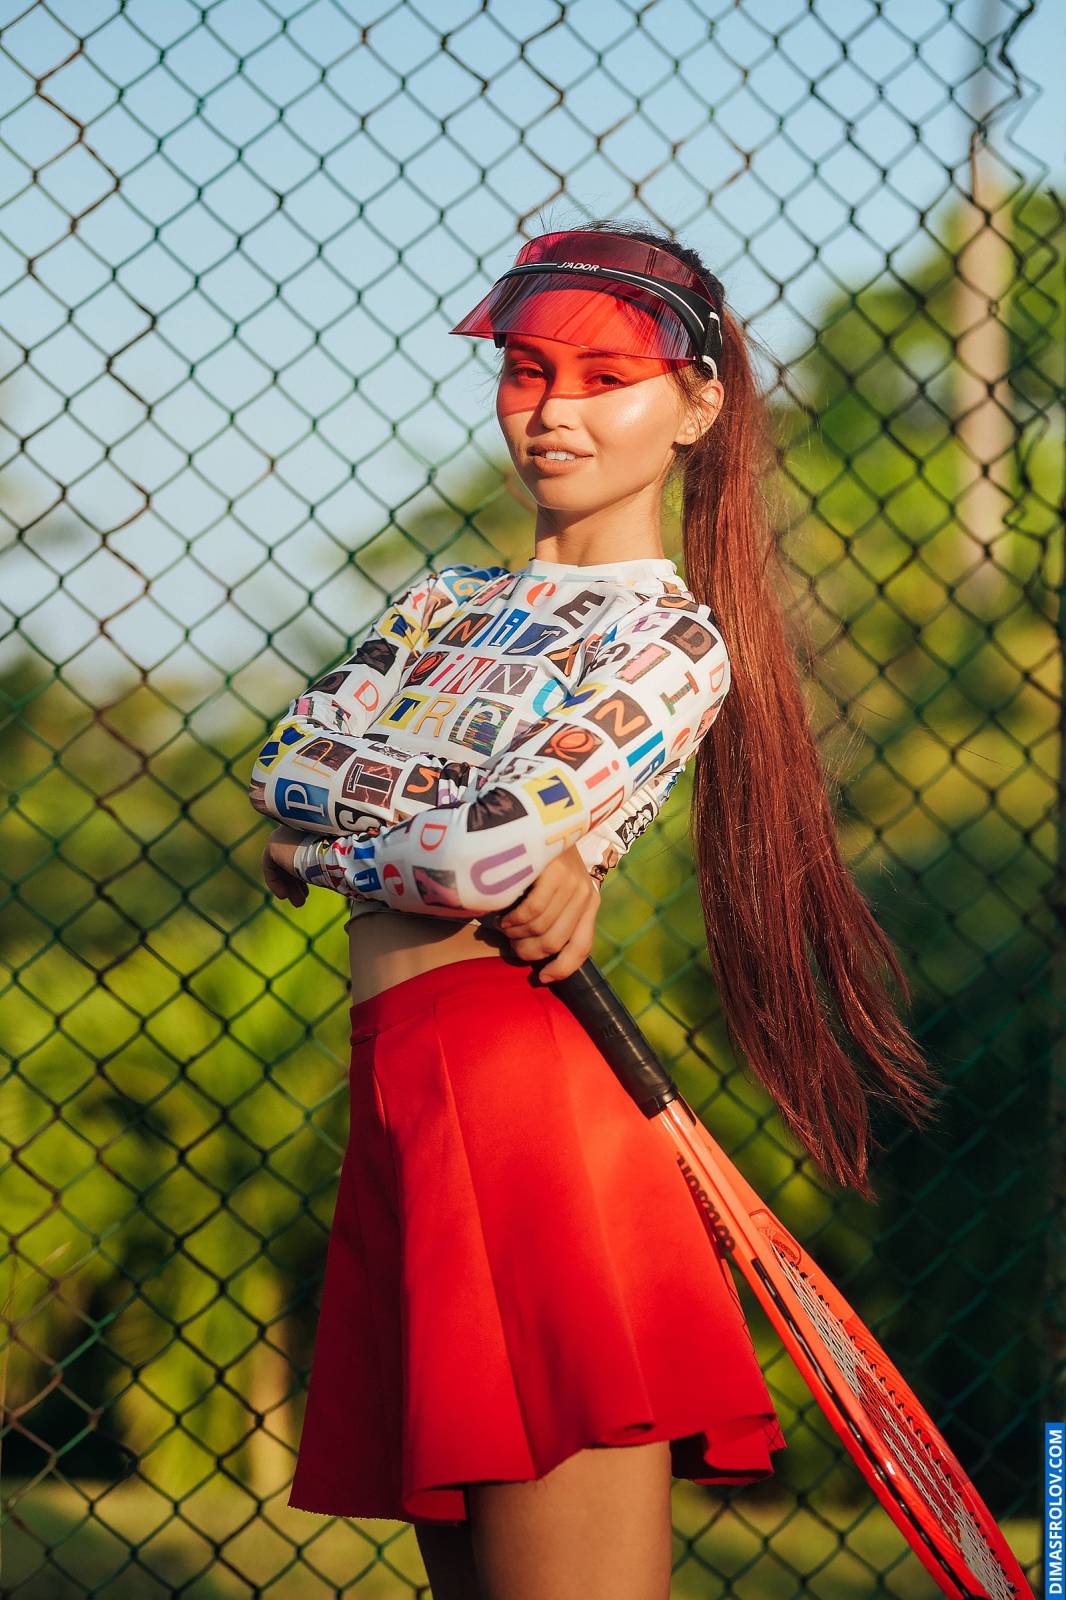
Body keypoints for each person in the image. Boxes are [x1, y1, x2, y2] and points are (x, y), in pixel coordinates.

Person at [248, 221, 942, 1600]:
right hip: (401, 1109)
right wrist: (408, 826)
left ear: (695, 405)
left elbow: (462, 859)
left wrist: (325, 845)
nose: (553, 409)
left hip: (527, 1121)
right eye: (526, 371)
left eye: (605, 377)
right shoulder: (438, 602)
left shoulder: (670, 639)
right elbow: (285, 766)